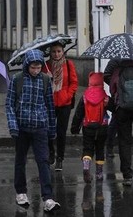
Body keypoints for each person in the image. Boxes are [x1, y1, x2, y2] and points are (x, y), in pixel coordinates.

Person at [5, 49, 61, 212]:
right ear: (27, 66)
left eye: (38, 67)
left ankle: (48, 197)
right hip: (22, 127)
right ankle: (21, 192)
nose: (36, 71)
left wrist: (52, 129)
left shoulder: (44, 80)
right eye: (33, 67)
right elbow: (9, 104)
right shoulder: (17, 80)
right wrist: (13, 126)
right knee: (20, 160)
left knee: (43, 161)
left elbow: (50, 106)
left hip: (40, 127)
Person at [42, 42, 78, 171]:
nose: (56, 54)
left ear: (63, 52)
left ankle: (60, 158)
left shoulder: (68, 64)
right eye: (53, 51)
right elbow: (41, 83)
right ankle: (51, 153)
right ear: (50, 53)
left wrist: (68, 95)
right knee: (49, 130)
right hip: (50, 103)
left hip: (65, 103)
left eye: (59, 51)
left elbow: (74, 82)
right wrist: (48, 78)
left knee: (61, 131)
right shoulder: (45, 66)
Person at [71, 72, 110, 183]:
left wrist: (74, 128)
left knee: (87, 149)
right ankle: (99, 173)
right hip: (102, 127)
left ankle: (86, 167)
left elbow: (78, 114)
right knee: (100, 149)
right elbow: (112, 107)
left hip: (88, 127)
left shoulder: (84, 97)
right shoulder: (105, 97)